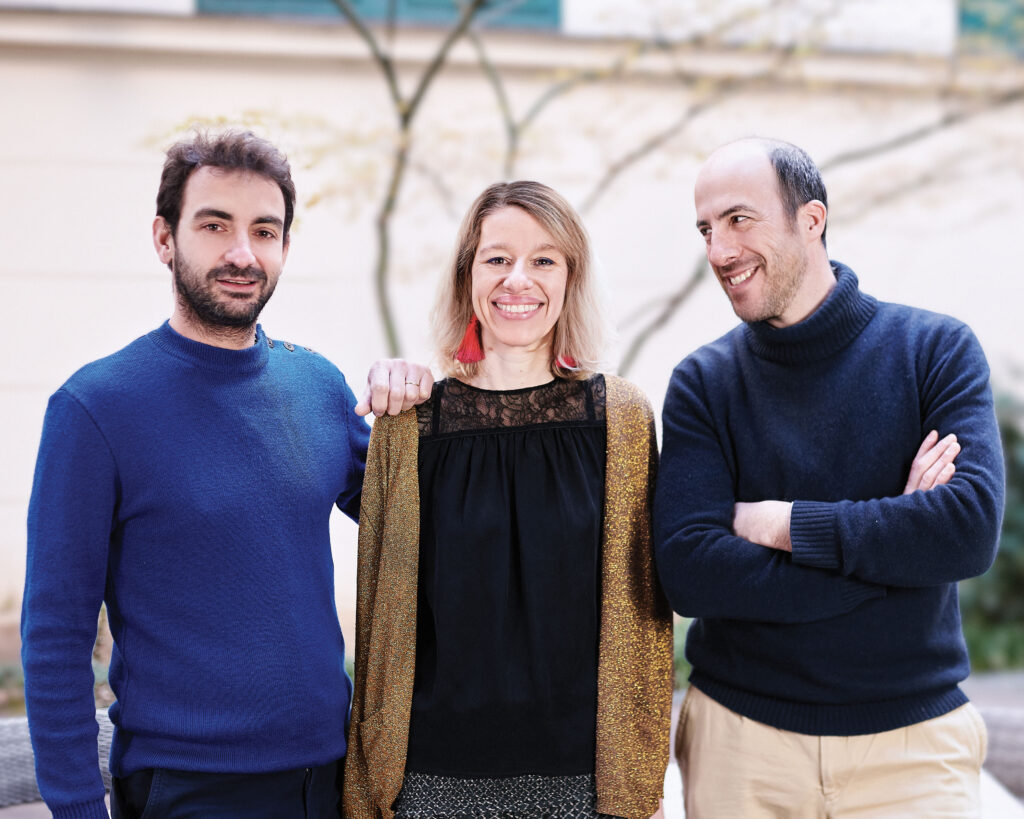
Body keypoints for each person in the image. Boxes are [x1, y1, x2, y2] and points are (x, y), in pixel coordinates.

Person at [21, 130, 427, 819]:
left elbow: (422, 511)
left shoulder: (318, 385)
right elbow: (55, 632)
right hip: (189, 789)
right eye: (215, 226)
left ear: (285, 248)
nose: (243, 253)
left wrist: (422, 402)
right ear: (164, 238)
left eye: (264, 231)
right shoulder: (96, 408)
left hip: (331, 779)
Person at [654, 136, 1005, 817]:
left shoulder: (934, 350)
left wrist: (784, 522)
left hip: (912, 750)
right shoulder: (704, 382)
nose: (718, 252)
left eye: (738, 219)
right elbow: (692, 573)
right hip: (741, 744)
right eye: (705, 229)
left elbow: (965, 532)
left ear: (811, 219)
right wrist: (893, 550)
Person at [343, 181, 674, 819]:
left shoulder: (622, 418)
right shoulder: (410, 425)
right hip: (433, 778)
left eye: (544, 259)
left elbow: (644, 612)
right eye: (497, 258)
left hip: (586, 781)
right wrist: (368, 792)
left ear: (570, 277)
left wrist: (639, 790)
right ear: (468, 273)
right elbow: (381, 617)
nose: (518, 279)